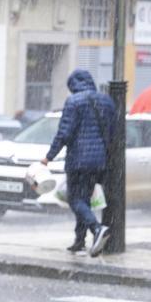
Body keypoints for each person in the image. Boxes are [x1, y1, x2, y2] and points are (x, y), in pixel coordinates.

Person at [40, 69, 117, 257]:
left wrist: (48, 157)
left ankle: (97, 229)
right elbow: (112, 131)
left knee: (75, 199)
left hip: (79, 160)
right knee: (84, 200)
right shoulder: (106, 101)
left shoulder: (74, 102)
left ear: (73, 85)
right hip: (98, 161)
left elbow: (64, 133)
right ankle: (79, 241)